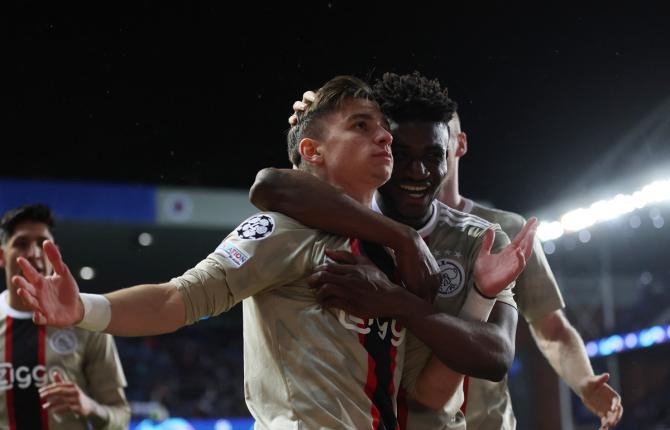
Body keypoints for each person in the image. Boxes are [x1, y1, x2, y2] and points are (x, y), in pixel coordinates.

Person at [12, 75, 467, 429]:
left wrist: (478, 293)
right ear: (312, 150)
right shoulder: (281, 230)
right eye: (361, 126)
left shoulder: (395, 247)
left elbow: (429, 387)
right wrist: (82, 308)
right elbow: (178, 299)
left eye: (383, 128)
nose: (385, 137)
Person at [249, 71, 538, 429]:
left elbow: (495, 358)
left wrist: (396, 301)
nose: (418, 171)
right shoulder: (337, 215)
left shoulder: (479, 241)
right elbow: (268, 186)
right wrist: (405, 238)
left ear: (450, 156)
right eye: (401, 155)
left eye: (434, 156)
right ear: (382, 147)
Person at [438, 112, 623, 429]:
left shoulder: (508, 228)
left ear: (461, 143)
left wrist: (584, 381)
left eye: (441, 138)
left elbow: (552, 329)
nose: (429, 152)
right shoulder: (391, 231)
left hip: (488, 422)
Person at [0, 203, 130, 430]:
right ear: (2, 256)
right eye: (21, 244)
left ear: (55, 253)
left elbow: (121, 416)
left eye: (43, 243)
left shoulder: (87, 321)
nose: (34, 253)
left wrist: (90, 407)